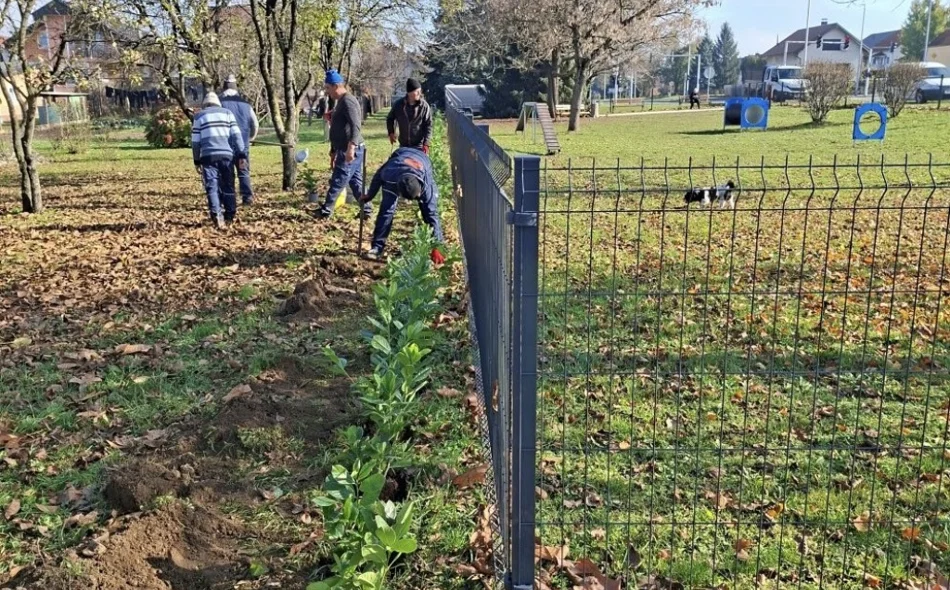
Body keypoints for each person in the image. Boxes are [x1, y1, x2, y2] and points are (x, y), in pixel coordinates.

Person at [358, 147, 444, 265]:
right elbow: (378, 176)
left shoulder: (426, 183)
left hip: (421, 158)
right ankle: (377, 248)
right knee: (386, 210)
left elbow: (432, 214)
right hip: (398, 157)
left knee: (428, 211)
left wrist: (437, 246)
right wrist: (369, 195)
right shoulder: (389, 173)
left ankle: (434, 247)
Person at [315, 69, 372, 220]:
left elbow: (356, 125)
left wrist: (351, 148)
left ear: (335, 86)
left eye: (327, 88)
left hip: (352, 149)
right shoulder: (341, 102)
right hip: (344, 147)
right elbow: (342, 123)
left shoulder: (348, 101)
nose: (327, 92)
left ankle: (326, 210)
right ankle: (366, 209)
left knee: (339, 179)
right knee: (355, 182)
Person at [191, 92, 247, 229]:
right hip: (226, 156)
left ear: (205, 104)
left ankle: (216, 216)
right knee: (228, 185)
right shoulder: (227, 114)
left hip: (208, 157)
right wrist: (241, 155)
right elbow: (237, 137)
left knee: (212, 187)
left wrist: (197, 160)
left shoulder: (199, 116)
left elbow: (195, 142)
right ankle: (230, 213)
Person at [219, 75, 259, 205]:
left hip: (225, 146)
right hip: (243, 147)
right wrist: (251, 138)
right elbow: (255, 124)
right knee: (243, 171)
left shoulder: (219, 103)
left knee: (227, 173)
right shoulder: (246, 104)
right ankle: (247, 197)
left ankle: (229, 198)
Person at [386, 78, 433, 152]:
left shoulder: (424, 106)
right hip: (403, 145)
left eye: (419, 91)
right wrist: (391, 132)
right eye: (416, 91)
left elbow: (428, 125)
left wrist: (426, 143)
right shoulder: (398, 105)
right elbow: (390, 118)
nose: (419, 93)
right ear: (409, 93)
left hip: (419, 146)